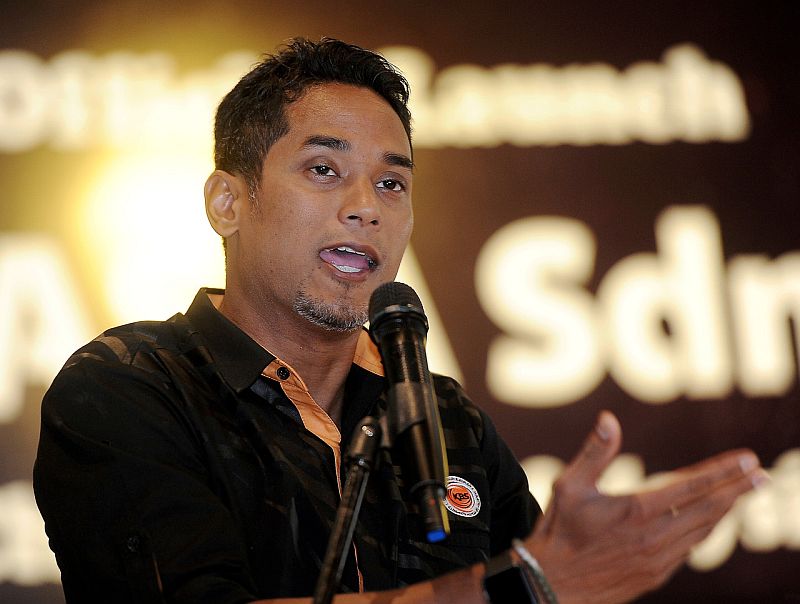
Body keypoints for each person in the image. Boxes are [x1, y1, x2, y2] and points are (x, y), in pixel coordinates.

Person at [33, 37, 766, 604]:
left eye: (392, 182)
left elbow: (549, 582)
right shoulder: (128, 388)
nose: (367, 205)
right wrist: (523, 587)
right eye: (324, 169)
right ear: (229, 203)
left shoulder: (449, 423)